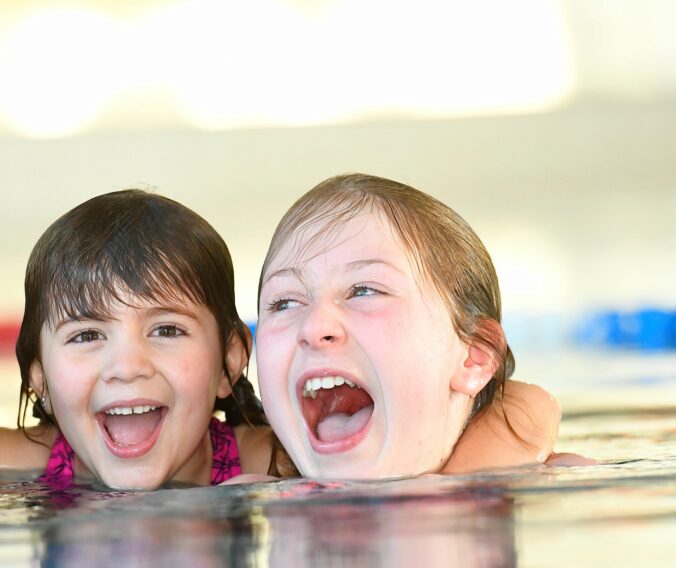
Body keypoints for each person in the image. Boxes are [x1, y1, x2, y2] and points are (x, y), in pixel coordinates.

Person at [254, 173, 561, 480]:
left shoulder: (550, 490)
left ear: (473, 356)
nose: (313, 327)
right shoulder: (241, 498)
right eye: (285, 303)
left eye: (364, 291)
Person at [0, 190, 272, 490]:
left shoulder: (272, 463)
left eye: (167, 330)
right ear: (40, 381)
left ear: (229, 360)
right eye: (87, 335)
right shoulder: (20, 463)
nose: (127, 367)